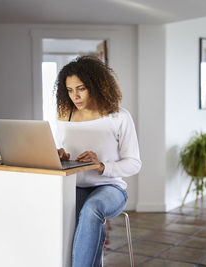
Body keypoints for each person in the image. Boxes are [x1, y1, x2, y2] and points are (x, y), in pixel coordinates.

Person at [54, 56, 141, 267]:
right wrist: (60, 157)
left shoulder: (118, 117)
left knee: (92, 209)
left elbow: (134, 163)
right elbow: (61, 151)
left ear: (95, 85)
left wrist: (101, 166)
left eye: (81, 88)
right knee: (63, 215)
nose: (75, 96)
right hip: (75, 186)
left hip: (110, 188)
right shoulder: (64, 116)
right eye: (70, 90)